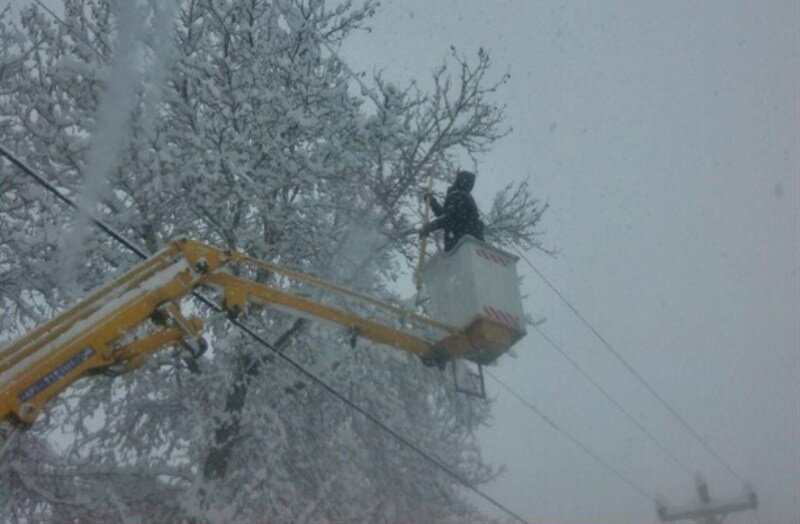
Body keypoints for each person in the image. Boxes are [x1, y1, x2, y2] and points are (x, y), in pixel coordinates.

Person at [419, 170, 485, 251]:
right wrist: (433, 202)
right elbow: (445, 215)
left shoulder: (459, 195)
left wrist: (431, 226)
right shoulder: (463, 197)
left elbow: (451, 218)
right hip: (468, 244)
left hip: (462, 244)